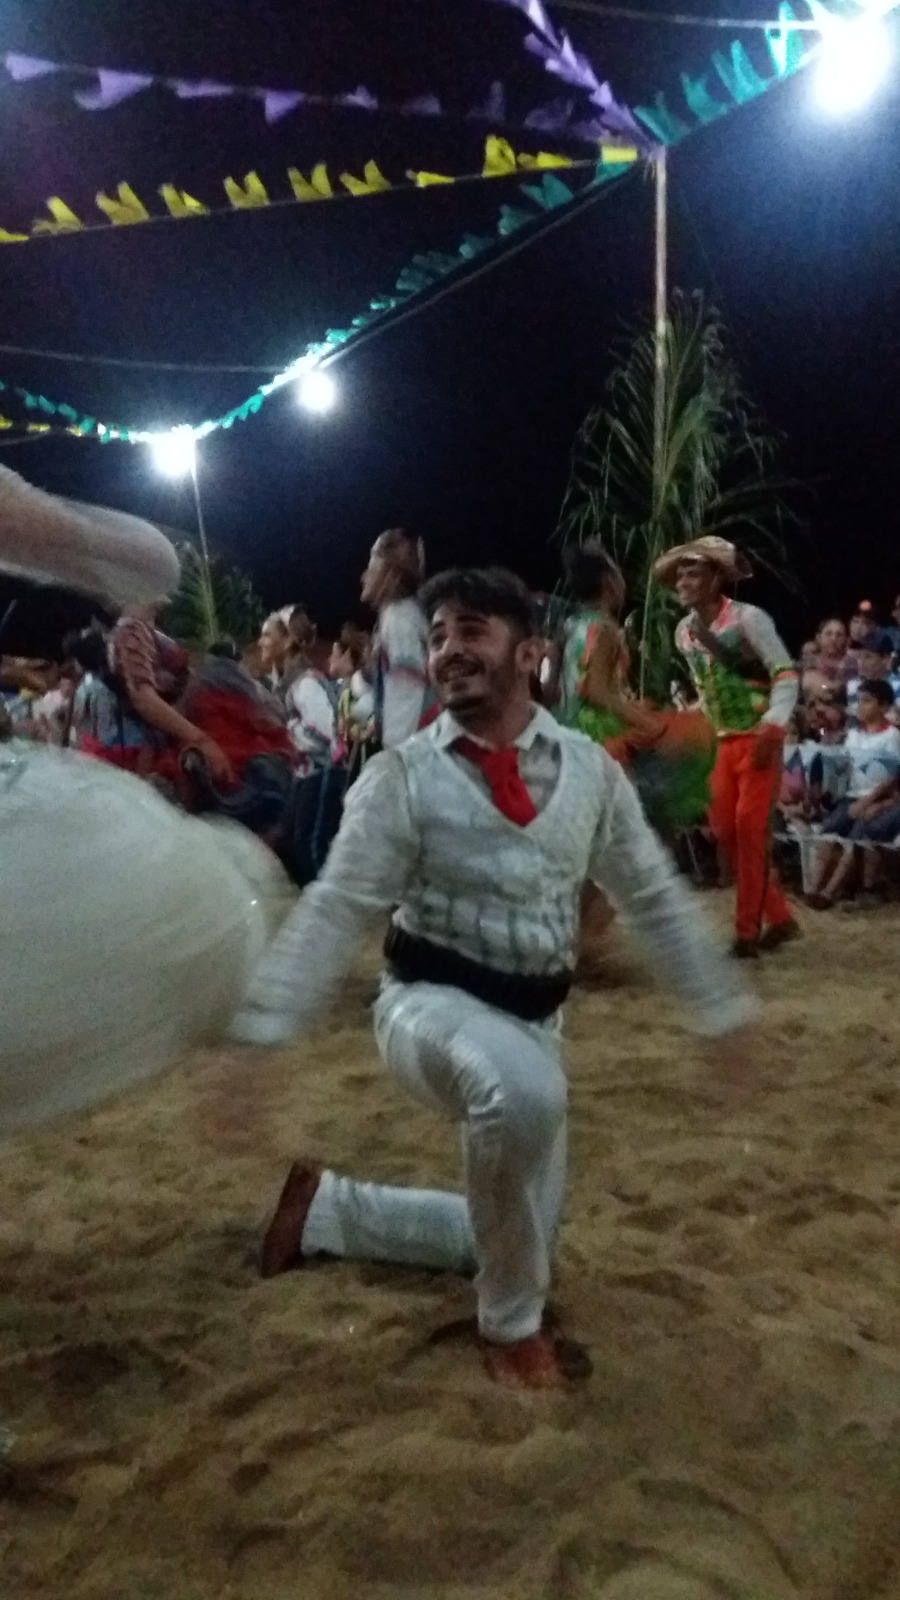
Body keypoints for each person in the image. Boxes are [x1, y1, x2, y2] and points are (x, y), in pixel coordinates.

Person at [230, 567, 760, 1390]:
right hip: (423, 1007)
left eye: (472, 630)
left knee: (521, 1232)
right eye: (439, 634)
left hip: (537, 1024)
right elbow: (335, 907)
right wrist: (264, 1032)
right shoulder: (401, 777)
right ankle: (509, 1328)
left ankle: (328, 1210)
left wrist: (721, 1010)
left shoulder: (591, 772)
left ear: (530, 653)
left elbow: (653, 897)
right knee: (523, 1101)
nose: (447, 650)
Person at [654, 536, 799, 958]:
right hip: (719, 742)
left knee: (750, 829)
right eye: (680, 575)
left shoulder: (749, 619)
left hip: (758, 738)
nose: (682, 581)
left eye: (692, 573)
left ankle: (746, 933)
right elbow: (707, 690)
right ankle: (781, 918)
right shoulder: (684, 633)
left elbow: (784, 673)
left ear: (716, 578)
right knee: (725, 832)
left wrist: (774, 725)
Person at [557, 541, 715, 832]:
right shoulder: (604, 629)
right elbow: (597, 692)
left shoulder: (574, 624)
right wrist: (651, 725)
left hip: (572, 730)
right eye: (618, 572)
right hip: (600, 735)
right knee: (695, 740)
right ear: (609, 581)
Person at [806, 679, 900, 908]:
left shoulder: (892, 736)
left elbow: (892, 778)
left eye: (867, 701)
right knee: (828, 830)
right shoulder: (853, 735)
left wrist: (869, 801)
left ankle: (829, 892)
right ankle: (813, 887)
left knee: (856, 837)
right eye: (858, 701)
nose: (860, 706)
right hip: (852, 796)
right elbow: (845, 768)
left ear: (883, 706)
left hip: (877, 798)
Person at [361, 529, 436, 748]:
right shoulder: (401, 615)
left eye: (370, 567)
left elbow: (406, 694)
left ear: (386, 572)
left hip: (415, 752)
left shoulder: (399, 618)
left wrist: (396, 756)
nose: (363, 576)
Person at [845, 632, 900, 724]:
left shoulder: (897, 685)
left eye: (868, 657)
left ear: (885, 659)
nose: (861, 662)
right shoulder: (853, 684)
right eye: (859, 657)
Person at [799, 617, 852, 697]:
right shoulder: (809, 660)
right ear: (819, 638)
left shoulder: (850, 663)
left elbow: (834, 690)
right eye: (828, 634)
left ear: (846, 640)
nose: (833, 638)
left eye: (839, 635)